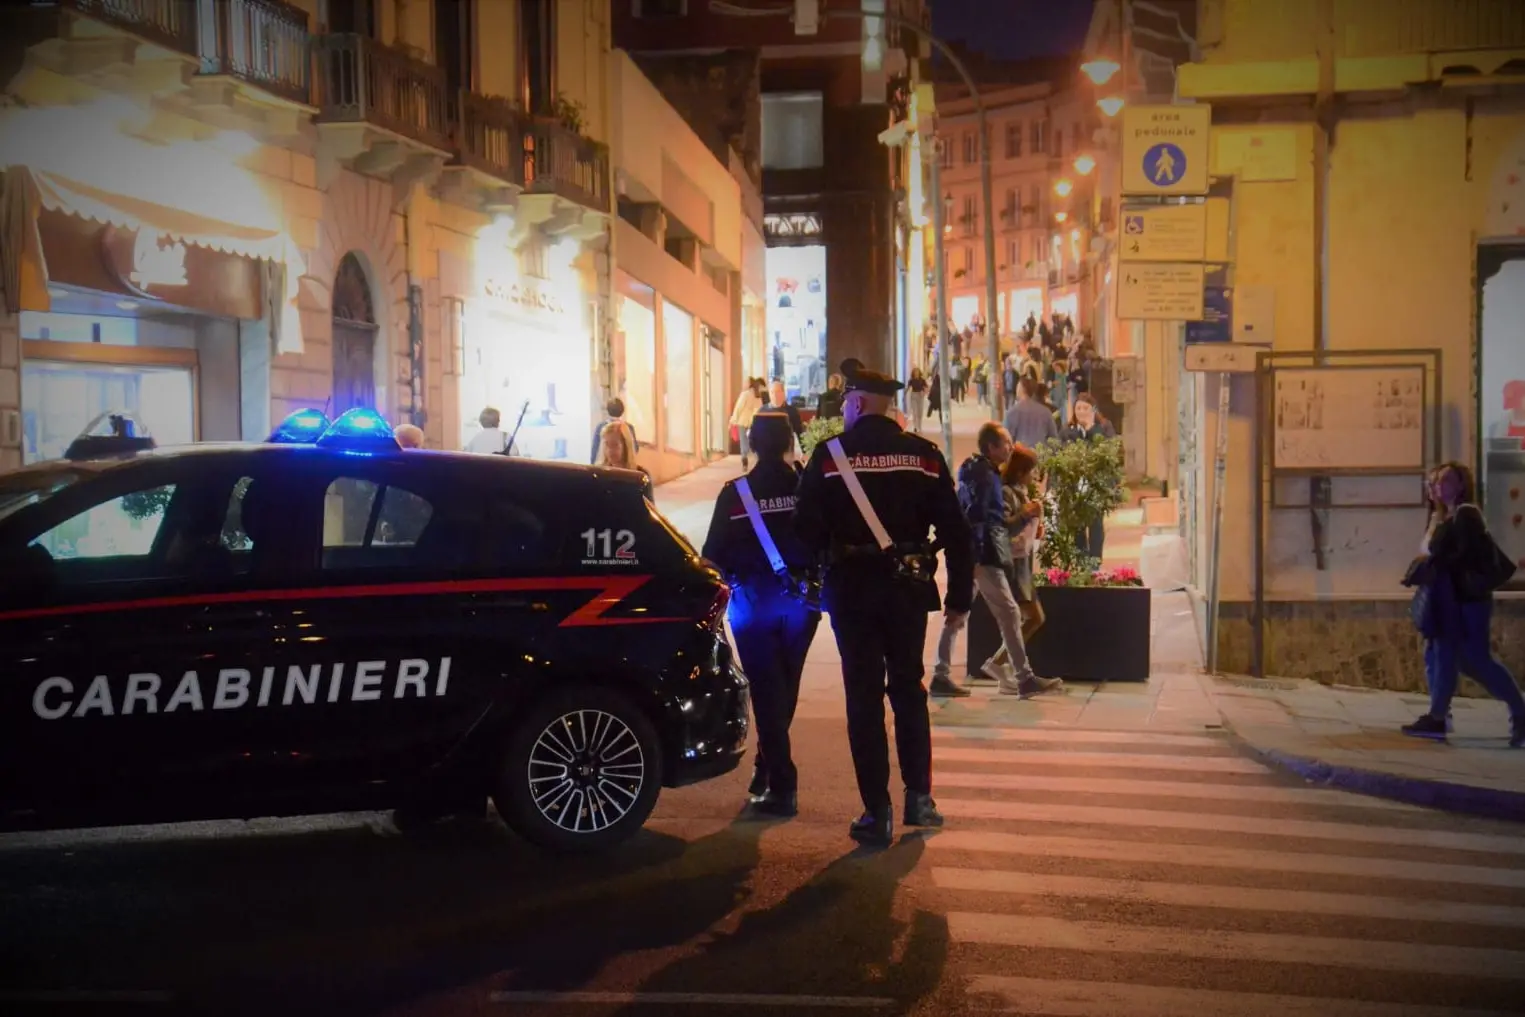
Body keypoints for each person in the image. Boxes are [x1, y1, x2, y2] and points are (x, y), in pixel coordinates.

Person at [793, 365, 973, 847]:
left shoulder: (829, 456)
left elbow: (804, 530)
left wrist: (809, 579)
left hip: (852, 591)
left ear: (855, 403)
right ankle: (921, 798)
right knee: (909, 689)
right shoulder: (924, 456)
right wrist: (958, 598)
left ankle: (877, 811)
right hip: (908, 590)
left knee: (864, 697)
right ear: (887, 406)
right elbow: (957, 532)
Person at [703, 411, 821, 816]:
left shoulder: (735, 494)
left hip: (752, 604)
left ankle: (782, 783)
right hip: (802, 603)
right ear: (790, 443)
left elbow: (712, 556)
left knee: (767, 691)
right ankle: (767, 766)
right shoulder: (806, 487)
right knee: (785, 688)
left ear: (753, 445)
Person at [930, 423, 1062, 699]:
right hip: (983, 552)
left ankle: (941, 674)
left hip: (970, 551)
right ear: (991, 447)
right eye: (1005, 444)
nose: (1010, 448)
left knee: (958, 614)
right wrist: (1022, 518)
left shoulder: (973, 472)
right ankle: (1024, 679)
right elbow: (991, 521)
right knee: (1010, 612)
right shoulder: (987, 477)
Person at [1402, 463, 1525, 746]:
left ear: (1461, 485)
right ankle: (1438, 716)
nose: (1438, 485)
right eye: (1435, 481)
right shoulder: (1443, 516)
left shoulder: (1467, 514)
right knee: (1444, 655)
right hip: (1448, 598)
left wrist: (1431, 559)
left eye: (1446, 481)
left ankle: (1516, 713)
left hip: (1467, 601)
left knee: (1472, 659)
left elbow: (1457, 556)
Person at [1064, 393, 1117, 562]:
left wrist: (1091, 429)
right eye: (1078, 408)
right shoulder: (1068, 431)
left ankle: (1094, 561)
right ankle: (1080, 560)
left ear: (1093, 410)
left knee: (1095, 524)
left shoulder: (1104, 427)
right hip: (1075, 484)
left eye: (1085, 408)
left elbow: (1109, 451)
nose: (1081, 411)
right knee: (1077, 525)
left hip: (1096, 484)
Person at [595, 420, 654, 500]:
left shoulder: (641, 477)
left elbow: (649, 508)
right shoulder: (600, 474)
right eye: (607, 445)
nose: (610, 450)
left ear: (626, 446)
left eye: (614, 445)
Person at [1004, 377, 1059, 452]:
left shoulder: (1012, 412)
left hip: (1020, 456)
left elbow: (1006, 440)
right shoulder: (1046, 412)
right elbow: (1054, 439)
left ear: (1021, 388)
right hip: (1042, 456)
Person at [729, 378, 766, 470]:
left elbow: (738, 408)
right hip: (753, 422)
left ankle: (744, 462)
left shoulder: (745, 394)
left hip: (742, 421)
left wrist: (733, 420)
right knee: (753, 440)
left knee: (743, 441)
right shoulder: (758, 396)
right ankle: (756, 458)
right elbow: (759, 410)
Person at [590, 397, 638, 464]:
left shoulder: (601, 426)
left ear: (608, 410)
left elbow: (594, 450)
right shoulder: (629, 427)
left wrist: (592, 465)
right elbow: (635, 449)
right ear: (622, 410)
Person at [768, 378, 806, 448]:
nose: (775, 395)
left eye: (777, 392)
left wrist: (804, 451)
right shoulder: (763, 410)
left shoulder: (792, 411)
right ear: (769, 394)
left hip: (787, 451)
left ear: (783, 393)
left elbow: (799, 432)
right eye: (772, 392)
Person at [905, 367, 928, 433]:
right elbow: (908, 387)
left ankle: (919, 426)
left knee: (920, 412)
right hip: (914, 395)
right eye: (915, 372)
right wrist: (904, 395)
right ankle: (915, 426)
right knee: (915, 412)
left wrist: (924, 393)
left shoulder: (922, 380)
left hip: (920, 396)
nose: (916, 373)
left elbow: (926, 387)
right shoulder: (911, 380)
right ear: (913, 373)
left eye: (917, 371)